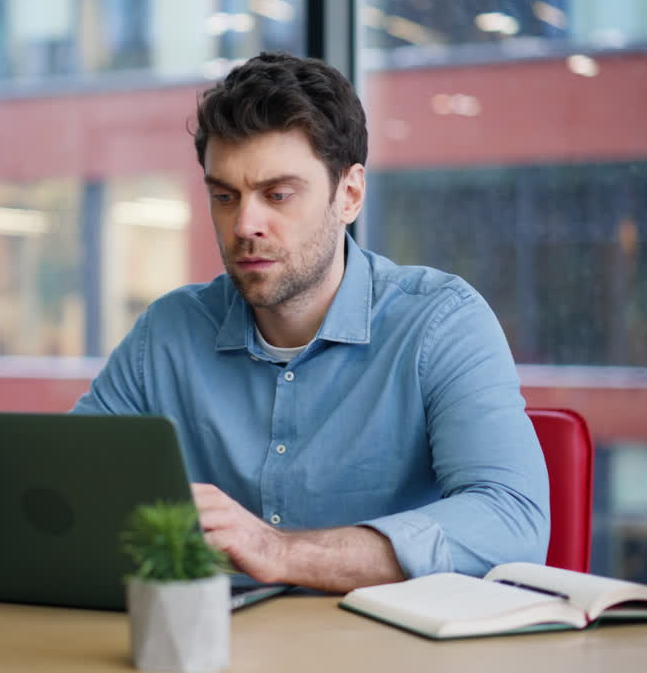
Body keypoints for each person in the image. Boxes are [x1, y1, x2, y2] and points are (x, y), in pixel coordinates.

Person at [72, 51, 549, 593]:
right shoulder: (168, 333)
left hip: (381, 638)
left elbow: (512, 522)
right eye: (224, 196)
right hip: (217, 637)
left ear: (349, 195)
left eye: (277, 195)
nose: (245, 224)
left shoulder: (440, 323)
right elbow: (66, 492)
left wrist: (278, 552)